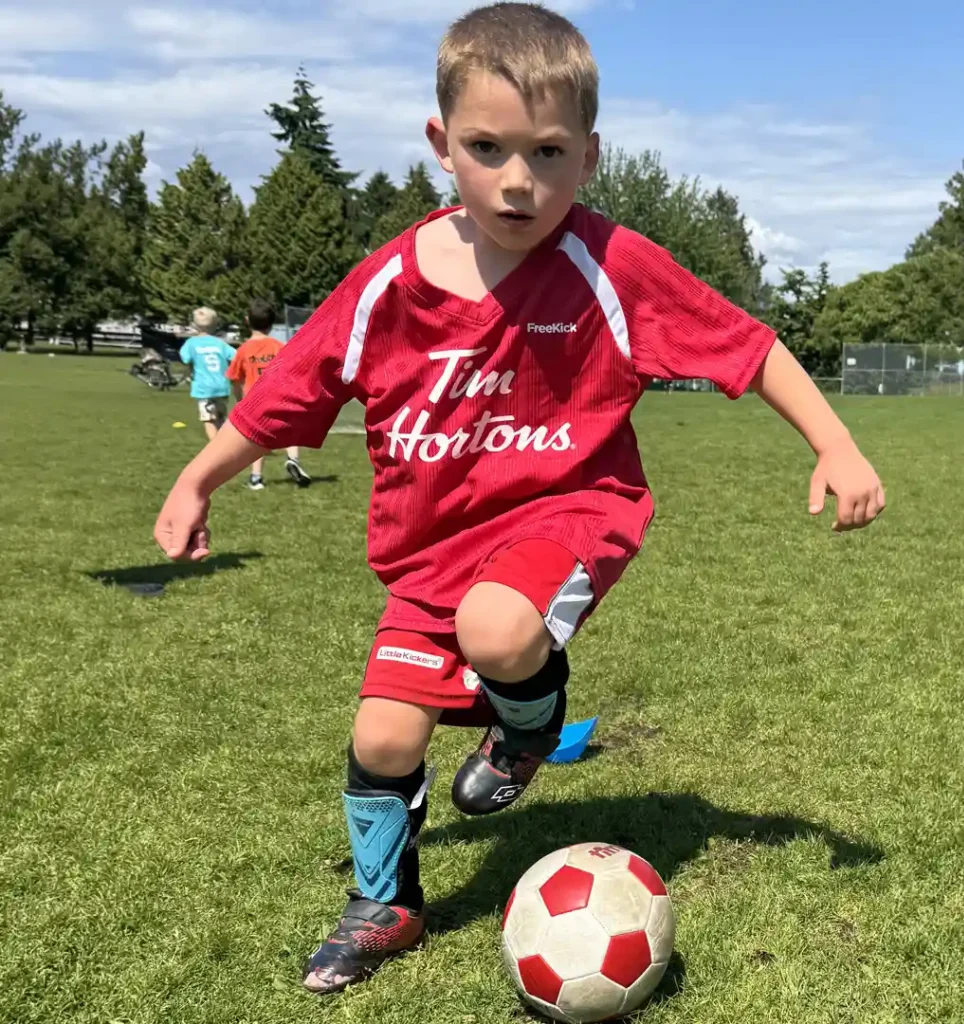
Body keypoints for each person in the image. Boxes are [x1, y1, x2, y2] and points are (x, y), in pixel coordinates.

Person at [153, 1, 886, 995]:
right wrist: (199, 478)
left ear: (587, 157)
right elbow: (290, 396)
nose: (516, 178)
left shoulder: (610, 265)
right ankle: (389, 903)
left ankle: (529, 719)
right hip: (428, 555)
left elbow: (746, 347)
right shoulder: (388, 285)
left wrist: (835, 443)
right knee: (382, 735)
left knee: (498, 628)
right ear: (439, 145)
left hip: (572, 513)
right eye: (486, 146)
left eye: (546, 152)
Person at [226, 299, 313, 490]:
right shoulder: (279, 347)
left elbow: (234, 378)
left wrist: (239, 400)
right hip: (279, 398)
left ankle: (256, 478)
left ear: (247, 320)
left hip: (255, 402)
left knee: (257, 440)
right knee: (290, 431)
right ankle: (293, 459)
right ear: (272, 323)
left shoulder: (243, 350)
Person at [177, 307, 236, 441]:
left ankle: (216, 449)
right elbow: (235, 356)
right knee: (221, 418)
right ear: (215, 324)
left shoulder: (191, 343)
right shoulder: (220, 343)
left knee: (208, 420)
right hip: (221, 386)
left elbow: (185, 358)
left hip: (203, 388)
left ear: (194, 324)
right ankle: (226, 445)